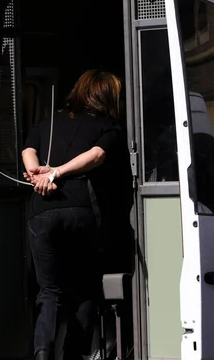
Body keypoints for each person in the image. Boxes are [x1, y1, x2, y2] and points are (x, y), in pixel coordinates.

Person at [21, 70, 133, 360]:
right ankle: (75, 353)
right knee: (85, 288)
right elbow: (96, 155)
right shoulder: (109, 125)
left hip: (41, 211)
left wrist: (37, 175)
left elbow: (28, 149)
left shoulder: (49, 121)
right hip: (81, 211)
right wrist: (55, 172)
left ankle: (42, 353)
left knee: (49, 290)